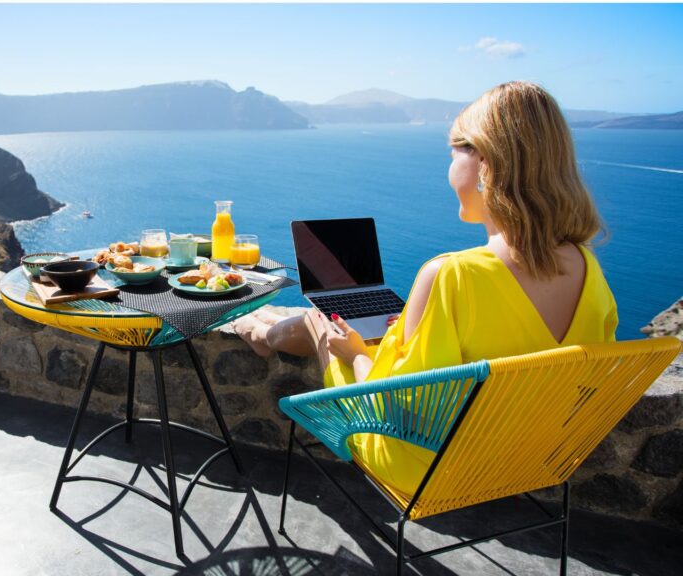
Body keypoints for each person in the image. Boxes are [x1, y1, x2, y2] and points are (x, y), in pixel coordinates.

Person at [232, 81, 618, 499]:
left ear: (485, 164)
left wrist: (357, 355)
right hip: (523, 462)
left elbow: (395, 411)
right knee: (348, 327)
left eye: (454, 155)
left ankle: (256, 330)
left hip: (427, 465)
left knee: (319, 320)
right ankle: (263, 326)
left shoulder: (452, 275)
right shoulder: (588, 269)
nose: (449, 171)